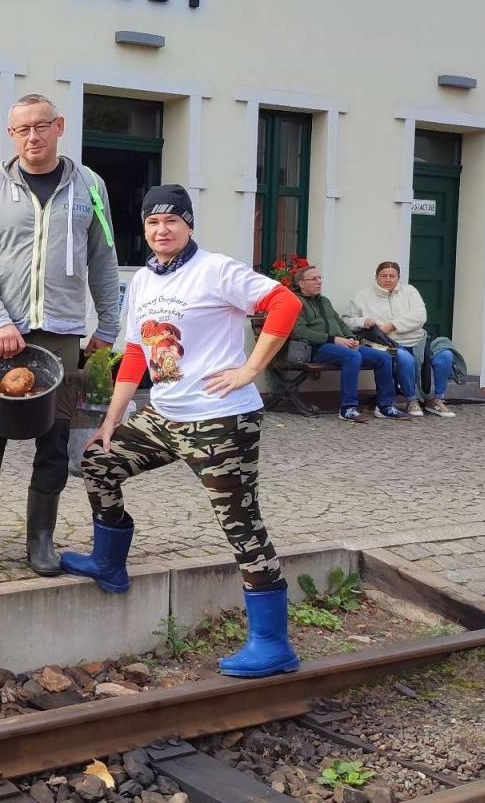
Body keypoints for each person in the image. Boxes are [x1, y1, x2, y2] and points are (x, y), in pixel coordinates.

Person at [62, 184, 306, 679]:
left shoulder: (216, 270)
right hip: (164, 417)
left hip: (220, 421)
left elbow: (284, 303)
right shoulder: (143, 281)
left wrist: (251, 369)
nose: (162, 230)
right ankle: (109, 564)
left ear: (189, 225)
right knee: (99, 461)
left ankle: (272, 643)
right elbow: (137, 353)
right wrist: (112, 420)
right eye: (153, 222)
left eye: (172, 220)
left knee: (241, 525)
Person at [0, 93, 122, 579]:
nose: (32, 136)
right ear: (11, 134)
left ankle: (41, 540)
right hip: (4, 339)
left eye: (41, 126)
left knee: (53, 441)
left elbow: (103, 258)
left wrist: (108, 327)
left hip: (63, 335)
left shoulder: (90, 187)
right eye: (22, 129)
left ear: (59, 126)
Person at [292, 265, 408, 421]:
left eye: (320, 278)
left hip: (339, 345)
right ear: (301, 283)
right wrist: (333, 339)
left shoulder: (324, 301)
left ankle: (385, 406)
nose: (319, 282)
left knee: (383, 357)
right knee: (352, 356)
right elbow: (299, 332)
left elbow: (340, 323)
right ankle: (348, 408)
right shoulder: (296, 303)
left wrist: (350, 338)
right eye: (314, 279)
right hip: (315, 348)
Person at [342, 261, 457, 417]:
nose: (388, 279)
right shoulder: (362, 296)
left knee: (445, 355)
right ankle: (411, 400)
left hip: (418, 340)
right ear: (376, 277)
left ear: (398, 277)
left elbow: (420, 316)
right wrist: (363, 321)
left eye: (392, 276)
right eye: (383, 276)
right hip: (385, 343)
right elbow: (346, 320)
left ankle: (436, 400)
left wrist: (393, 325)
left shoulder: (410, 292)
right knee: (404, 358)